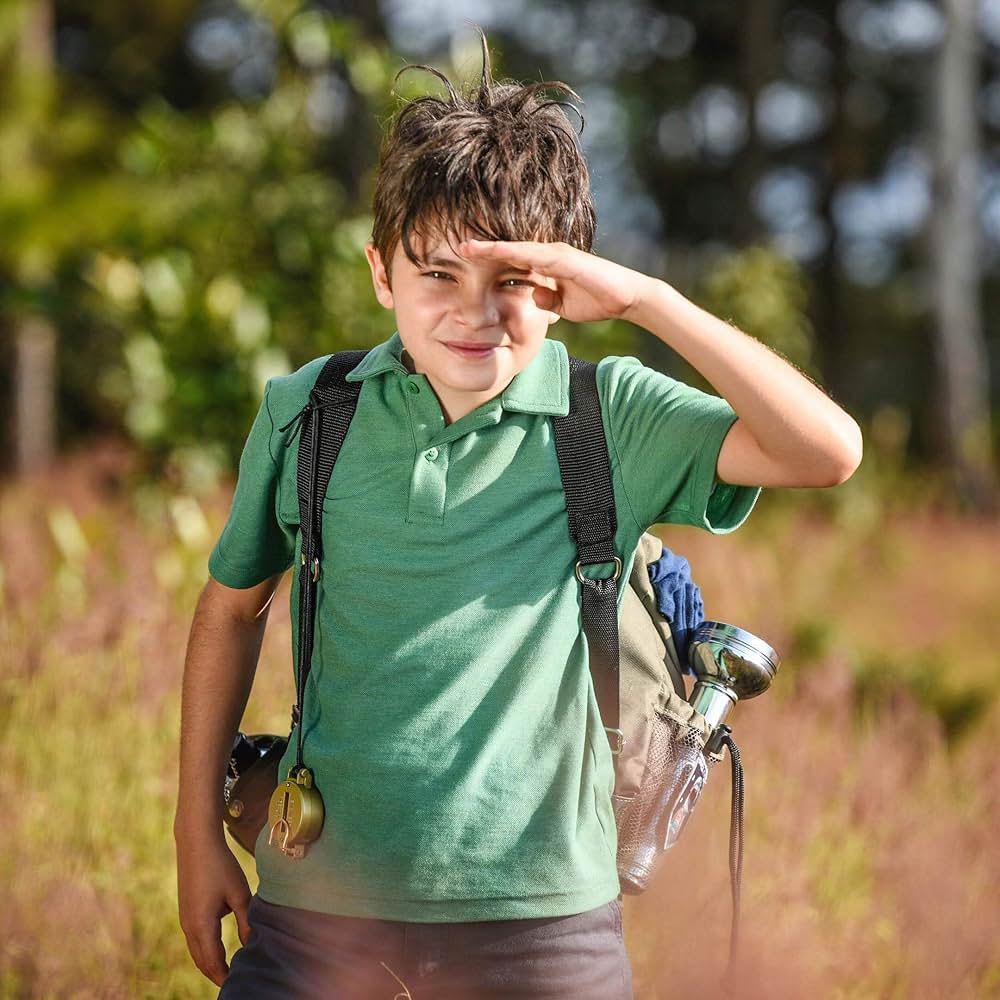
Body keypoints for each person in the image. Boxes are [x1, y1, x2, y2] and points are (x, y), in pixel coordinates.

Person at [173, 27, 862, 1000]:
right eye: (438, 274)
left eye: (511, 281)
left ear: (562, 280)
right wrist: (194, 829)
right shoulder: (309, 413)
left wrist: (648, 298)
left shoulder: (609, 415)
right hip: (314, 917)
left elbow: (827, 450)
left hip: (543, 932)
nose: (472, 312)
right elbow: (230, 610)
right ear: (382, 273)